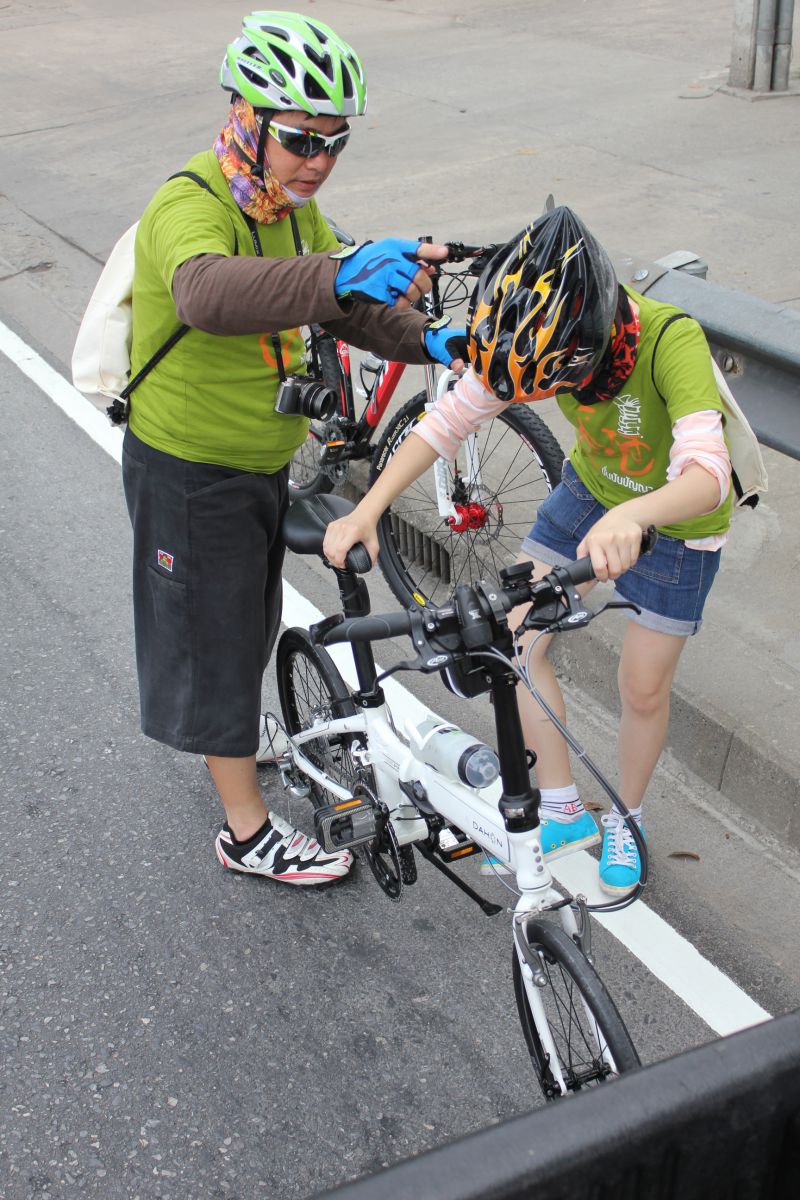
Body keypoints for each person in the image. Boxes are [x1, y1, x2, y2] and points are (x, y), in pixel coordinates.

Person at [121, 11, 466, 888]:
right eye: (301, 138)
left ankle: (237, 746)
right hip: (192, 467)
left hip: (257, 462)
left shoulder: (288, 212)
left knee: (244, 617)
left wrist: (433, 341)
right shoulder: (189, 204)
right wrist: (340, 270)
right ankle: (244, 831)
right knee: (215, 641)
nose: (317, 160)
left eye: (334, 142)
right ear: (246, 116)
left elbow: (341, 305)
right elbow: (206, 292)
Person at [323, 205, 733, 896]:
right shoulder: (529, 330)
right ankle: (565, 809)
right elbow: (448, 418)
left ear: (590, 341)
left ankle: (627, 819)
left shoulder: (668, 338)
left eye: (548, 384)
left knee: (641, 686)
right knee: (516, 640)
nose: (532, 396)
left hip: (679, 522)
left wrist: (636, 513)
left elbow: (706, 474)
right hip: (592, 492)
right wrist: (368, 509)